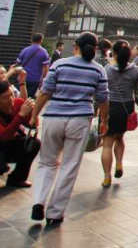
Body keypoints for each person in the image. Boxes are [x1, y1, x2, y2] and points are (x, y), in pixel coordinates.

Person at [30, 32, 109, 226]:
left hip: (54, 118)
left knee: (47, 162)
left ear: (75, 46)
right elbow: (103, 99)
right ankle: (55, 212)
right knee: (69, 165)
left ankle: (39, 201)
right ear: (95, 49)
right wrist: (104, 121)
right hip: (79, 121)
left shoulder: (60, 64)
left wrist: (34, 115)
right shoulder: (98, 70)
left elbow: (45, 92)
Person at [102, 40, 138, 187]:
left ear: (114, 53)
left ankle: (107, 177)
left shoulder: (107, 69)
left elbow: (101, 91)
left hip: (111, 107)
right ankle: (119, 163)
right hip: (127, 108)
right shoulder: (136, 70)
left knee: (107, 143)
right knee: (120, 137)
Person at [0, 80, 39, 187]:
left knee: (34, 144)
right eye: (5, 97)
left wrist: (33, 113)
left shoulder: (18, 103)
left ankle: (17, 179)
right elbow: (4, 136)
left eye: (12, 94)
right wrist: (20, 116)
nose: (11, 99)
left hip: (9, 144)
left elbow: (33, 125)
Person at [15, 33, 50, 98]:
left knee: (20, 97)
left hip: (23, 78)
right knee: (30, 99)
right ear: (41, 40)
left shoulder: (25, 50)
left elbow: (17, 64)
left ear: (31, 40)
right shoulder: (44, 52)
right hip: (35, 80)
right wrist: (42, 80)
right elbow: (45, 68)